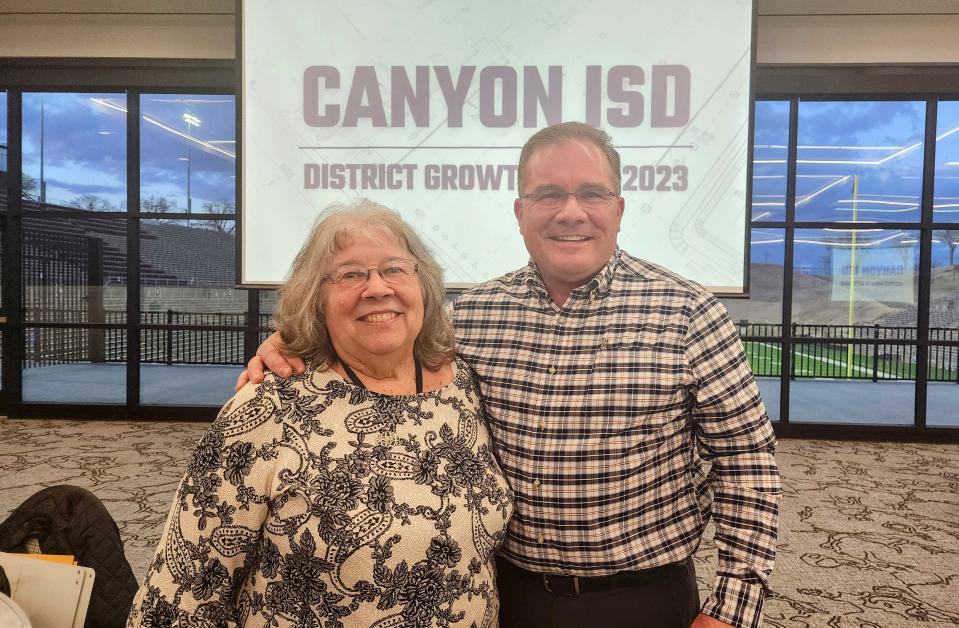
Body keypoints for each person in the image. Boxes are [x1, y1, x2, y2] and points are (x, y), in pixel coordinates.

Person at [241, 122, 781, 628]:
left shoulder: (689, 312)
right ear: (520, 212)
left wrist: (734, 609)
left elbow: (746, 461)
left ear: (618, 209)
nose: (571, 212)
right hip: (507, 597)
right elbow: (379, 341)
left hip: (643, 599)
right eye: (548, 194)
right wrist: (292, 344)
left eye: (591, 194)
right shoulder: (470, 315)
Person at [129, 201, 514, 627]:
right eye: (351, 274)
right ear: (317, 299)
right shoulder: (269, 406)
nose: (377, 288)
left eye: (394, 269)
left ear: (422, 284)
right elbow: (181, 590)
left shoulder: (460, 385)